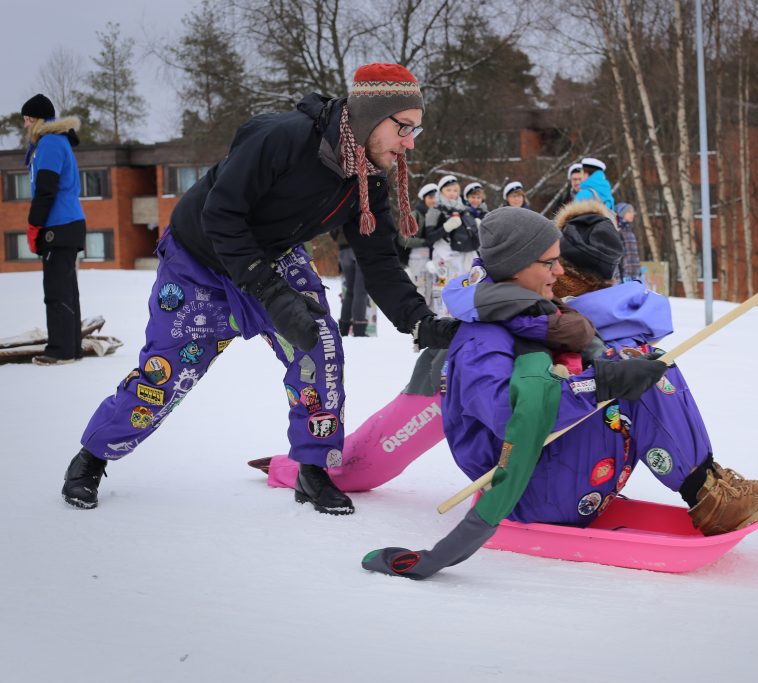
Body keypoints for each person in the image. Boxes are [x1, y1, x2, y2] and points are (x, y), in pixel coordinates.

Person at [60, 63, 458, 515]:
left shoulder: (365, 182)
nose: (409, 142)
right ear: (369, 116)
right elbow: (221, 216)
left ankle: (313, 469)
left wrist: (419, 321)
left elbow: (379, 262)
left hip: (273, 255)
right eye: (403, 127)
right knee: (166, 373)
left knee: (320, 347)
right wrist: (270, 294)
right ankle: (93, 455)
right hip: (201, 260)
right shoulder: (284, 138)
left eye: (415, 131)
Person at [362, 203, 758, 579]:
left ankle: (709, 484)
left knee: (646, 359)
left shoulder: (538, 316)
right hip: (530, 490)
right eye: (550, 262)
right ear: (517, 267)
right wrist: (603, 381)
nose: (560, 271)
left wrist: (609, 370)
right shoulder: (482, 342)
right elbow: (508, 415)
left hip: (563, 475)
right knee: (635, 370)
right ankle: (707, 497)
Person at [21, 94, 87, 366]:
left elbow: (46, 189)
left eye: (27, 120)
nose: (25, 125)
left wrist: (34, 225)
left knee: (57, 290)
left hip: (57, 225)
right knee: (67, 289)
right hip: (69, 222)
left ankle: (61, 350)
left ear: (39, 120)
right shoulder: (57, 141)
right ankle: (72, 347)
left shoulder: (48, 143)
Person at [423, 175, 478, 315]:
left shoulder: (463, 209)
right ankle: (441, 321)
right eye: (448, 190)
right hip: (442, 258)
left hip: (462, 258)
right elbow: (429, 237)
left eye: (455, 190)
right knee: (442, 291)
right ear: (441, 191)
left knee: (462, 290)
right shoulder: (434, 210)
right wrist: (446, 227)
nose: (452, 193)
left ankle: (460, 318)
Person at [404, 183, 437, 304]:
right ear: (424, 199)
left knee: (433, 292)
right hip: (417, 258)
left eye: (435, 197)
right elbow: (403, 239)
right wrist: (424, 242)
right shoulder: (415, 215)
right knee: (420, 290)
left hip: (434, 258)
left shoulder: (438, 214)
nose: (434, 200)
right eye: (430, 197)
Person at [335, 233, 370, 337]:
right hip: (360, 247)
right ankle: (359, 331)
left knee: (350, 290)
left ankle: (343, 329)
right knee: (360, 291)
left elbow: (334, 232)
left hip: (343, 250)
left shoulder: (339, 216)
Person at [614, 202, 642, 282]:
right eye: (629, 212)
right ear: (621, 213)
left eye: (633, 212)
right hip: (624, 275)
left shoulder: (630, 231)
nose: (632, 214)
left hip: (635, 275)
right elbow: (617, 256)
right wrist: (618, 276)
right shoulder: (618, 231)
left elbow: (634, 254)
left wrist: (639, 272)